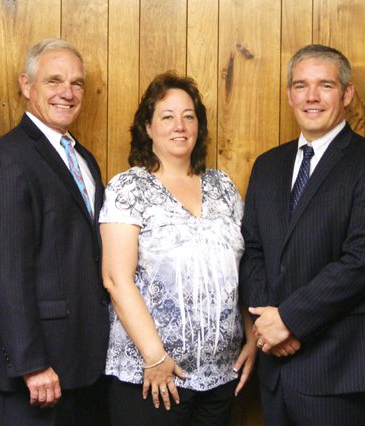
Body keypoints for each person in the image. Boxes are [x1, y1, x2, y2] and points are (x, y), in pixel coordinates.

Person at [239, 44, 365, 426]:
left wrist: (291, 321)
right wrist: (271, 326)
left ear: (347, 95)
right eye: (301, 85)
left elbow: (364, 261)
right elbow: (253, 249)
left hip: (340, 367)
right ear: (289, 95)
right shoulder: (268, 165)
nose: (311, 97)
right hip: (276, 366)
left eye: (325, 85)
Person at [99, 71, 257, 426]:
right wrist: (155, 358)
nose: (180, 126)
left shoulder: (223, 187)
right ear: (148, 127)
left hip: (220, 376)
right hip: (153, 377)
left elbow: (242, 270)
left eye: (189, 116)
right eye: (167, 117)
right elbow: (115, 279)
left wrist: (252, 337)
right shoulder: (129, 188)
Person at [0, 38, 110, 425]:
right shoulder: (7, 160)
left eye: (77, 83)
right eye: (54, 81)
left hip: (83, 365)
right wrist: (31, 364)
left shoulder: (83, 158)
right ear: (27, 85)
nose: (67, 93)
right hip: (35, 372)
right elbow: (4, 271)